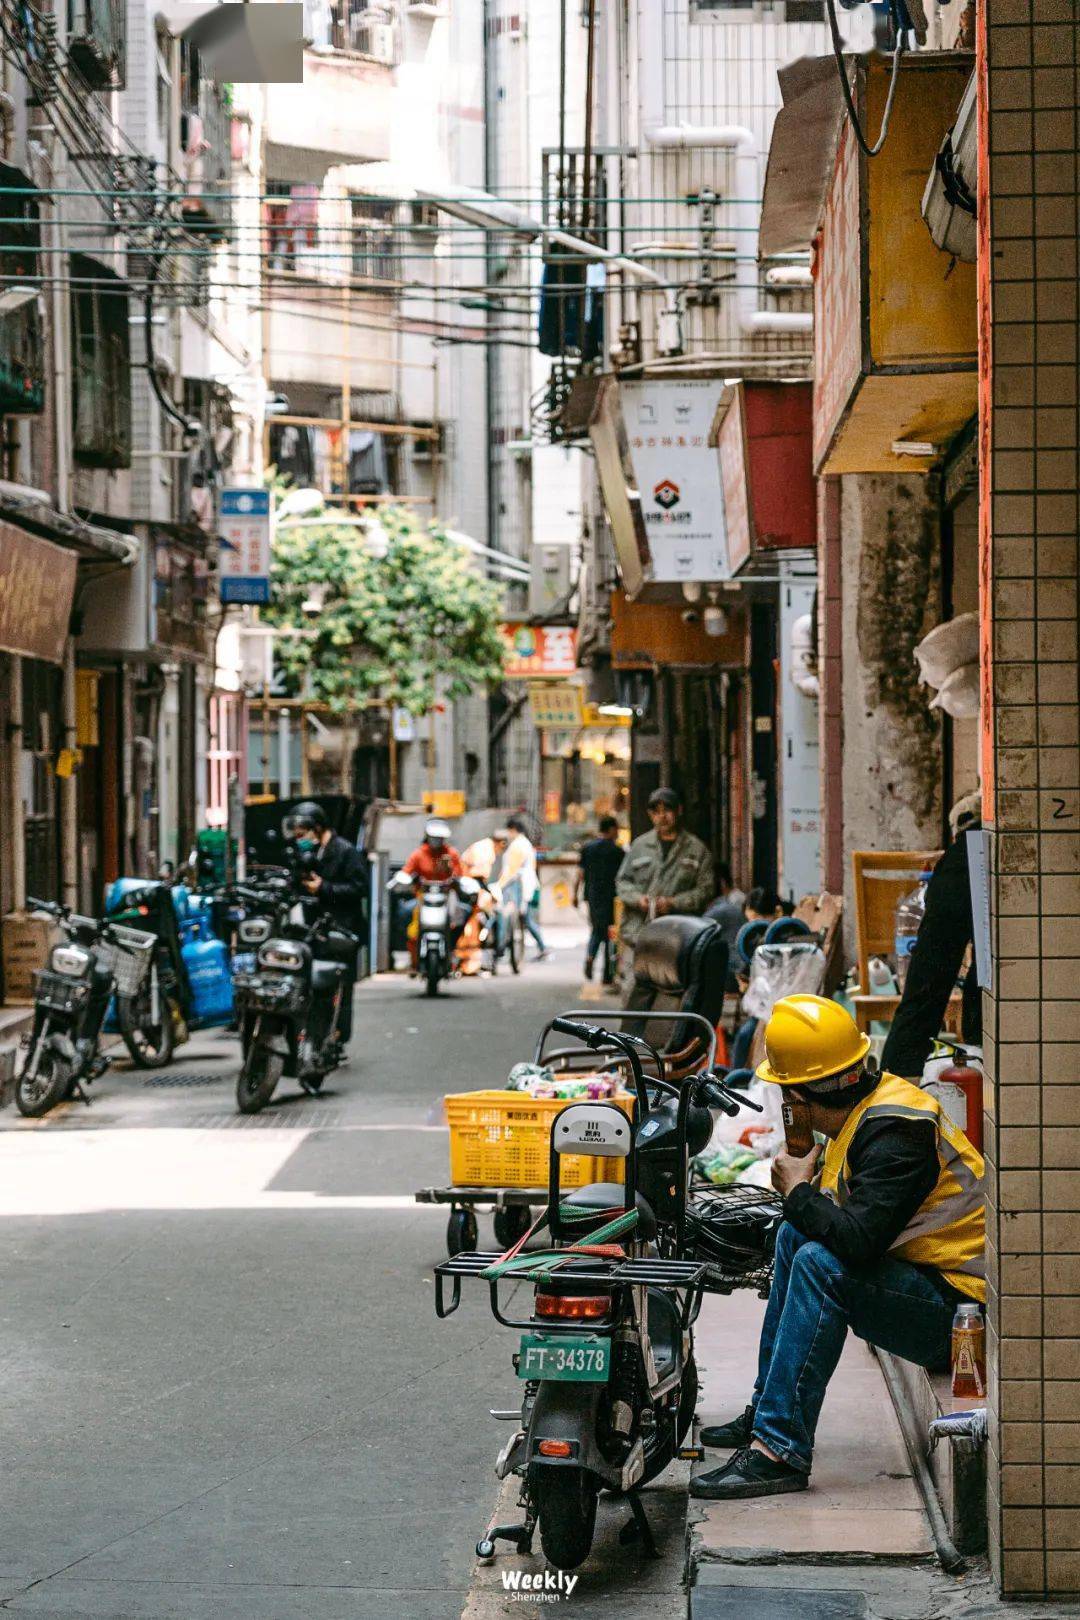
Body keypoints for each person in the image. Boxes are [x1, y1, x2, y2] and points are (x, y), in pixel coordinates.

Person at [690, 993, 984, 1502]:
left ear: (802, 1095)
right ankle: (767, 1412)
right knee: (793, 1237)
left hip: (959, 1321)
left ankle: (778, 1449)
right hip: (929, 1288)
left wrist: (798, 1192)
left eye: (786, 1094)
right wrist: (801, 1197)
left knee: (818, 1264)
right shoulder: (865, 1112)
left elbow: (856, 1243)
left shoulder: (897, 1132)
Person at [880, 790, 983, 1079]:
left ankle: (898, 1076)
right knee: (984, 975)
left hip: (961, 863)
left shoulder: (958, 860)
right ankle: (978, 1050)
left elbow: (927, 976)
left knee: (926, 985)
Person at [285, 801, 368, 1045]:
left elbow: (358, 888)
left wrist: (324, 888)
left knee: (340, 986)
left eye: (303, 834)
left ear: (318, 828)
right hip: (315, 930)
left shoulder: (344, 851)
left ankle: (338, 1035)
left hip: (342, 931)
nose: (300, 840)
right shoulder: (306, 855)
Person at [615, 787, 713, 995]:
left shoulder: (696, 850)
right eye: (656, 811)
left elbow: (705, 890)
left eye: (667, 810)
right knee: (634, 993)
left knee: (673, 996)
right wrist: (637, 899)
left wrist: (673, 903)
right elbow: (622, 882)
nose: (662, 816)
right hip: (639, 935)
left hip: (678, 938)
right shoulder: (640, 846)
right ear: (651, 815)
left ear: (679, 811)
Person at [400, 819, 464, 971]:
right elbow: (406, 872)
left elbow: (460, 875)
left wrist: (449, 870)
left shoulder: (451, 854)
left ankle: (452, 949)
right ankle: (413, 958)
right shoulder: (418, 854)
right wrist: (404, 879)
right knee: (404, 914)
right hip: (423, 897)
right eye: (434, 837)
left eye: (440, 838)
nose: (437, 841)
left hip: (447, 897)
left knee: (462, 914)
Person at [574, 815, 624, 982]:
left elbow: (580, 874)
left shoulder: (587, 848)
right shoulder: (617, 851)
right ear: (611, 829)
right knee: (608, 932)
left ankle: (592, 960)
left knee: (597, 929)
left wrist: (575, 894)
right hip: (611, 896)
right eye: (616, 829)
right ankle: (606, 972)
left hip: (592, 895)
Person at [502, 815, 551, 962]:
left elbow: (512, 869)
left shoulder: (518, 845)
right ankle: (542, 948)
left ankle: (543, 947)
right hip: (527, 885)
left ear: (513, 830)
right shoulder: (525, 844)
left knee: (527, 919)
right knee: (526, 919)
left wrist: (500, 885)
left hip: (523, 887)